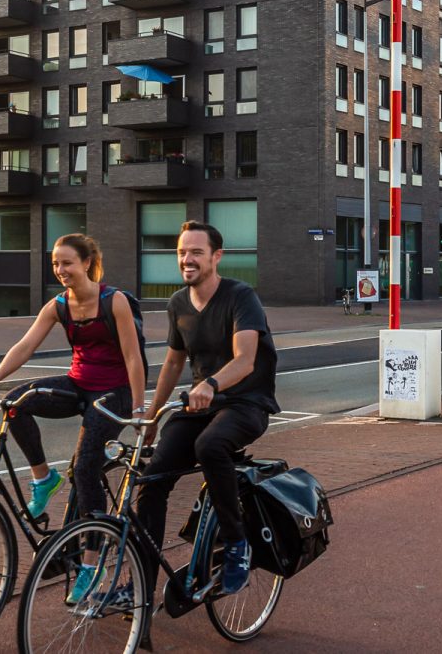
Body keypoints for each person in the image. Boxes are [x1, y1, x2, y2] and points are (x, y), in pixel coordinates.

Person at [0, 233, 146, 604]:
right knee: (15, 402)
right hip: (78, 385)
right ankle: (43, 478)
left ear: (86, 263)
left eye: (67, 262)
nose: (60, 270)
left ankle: (90, 564)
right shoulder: (59, 306)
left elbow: (133, 358)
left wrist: (140, 407)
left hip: (114, 392)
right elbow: (26, 345)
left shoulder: (113, 302)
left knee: (85, 470)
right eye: (55, 263)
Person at [137, 220, 279, 602]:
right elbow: (171, 364)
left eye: (196, 252)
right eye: (182, 252)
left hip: (246, 403)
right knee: (151, 482)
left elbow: (246, 359)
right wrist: (151, 417)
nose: (187, 259)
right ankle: (141, 585)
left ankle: (236, 545)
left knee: (210, 446)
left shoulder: (240, 296)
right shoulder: (178, 303)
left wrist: (211, 383)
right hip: (201, 404)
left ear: (216, 257)